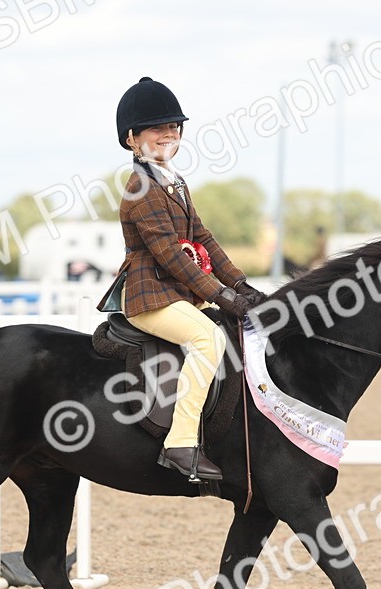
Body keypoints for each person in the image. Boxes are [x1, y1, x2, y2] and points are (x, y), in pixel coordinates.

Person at [112, 77, 267, 481]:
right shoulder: (140, 189)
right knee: (208, 338)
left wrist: (241, 285)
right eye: (158, 128)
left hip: (177, 294)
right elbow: (169, 255)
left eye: (175, 126)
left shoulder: (175, 182)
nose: (170, 133)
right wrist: (221, 295)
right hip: (149, 296)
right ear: (132, 139)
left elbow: (202, 240)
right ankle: (180, 443)